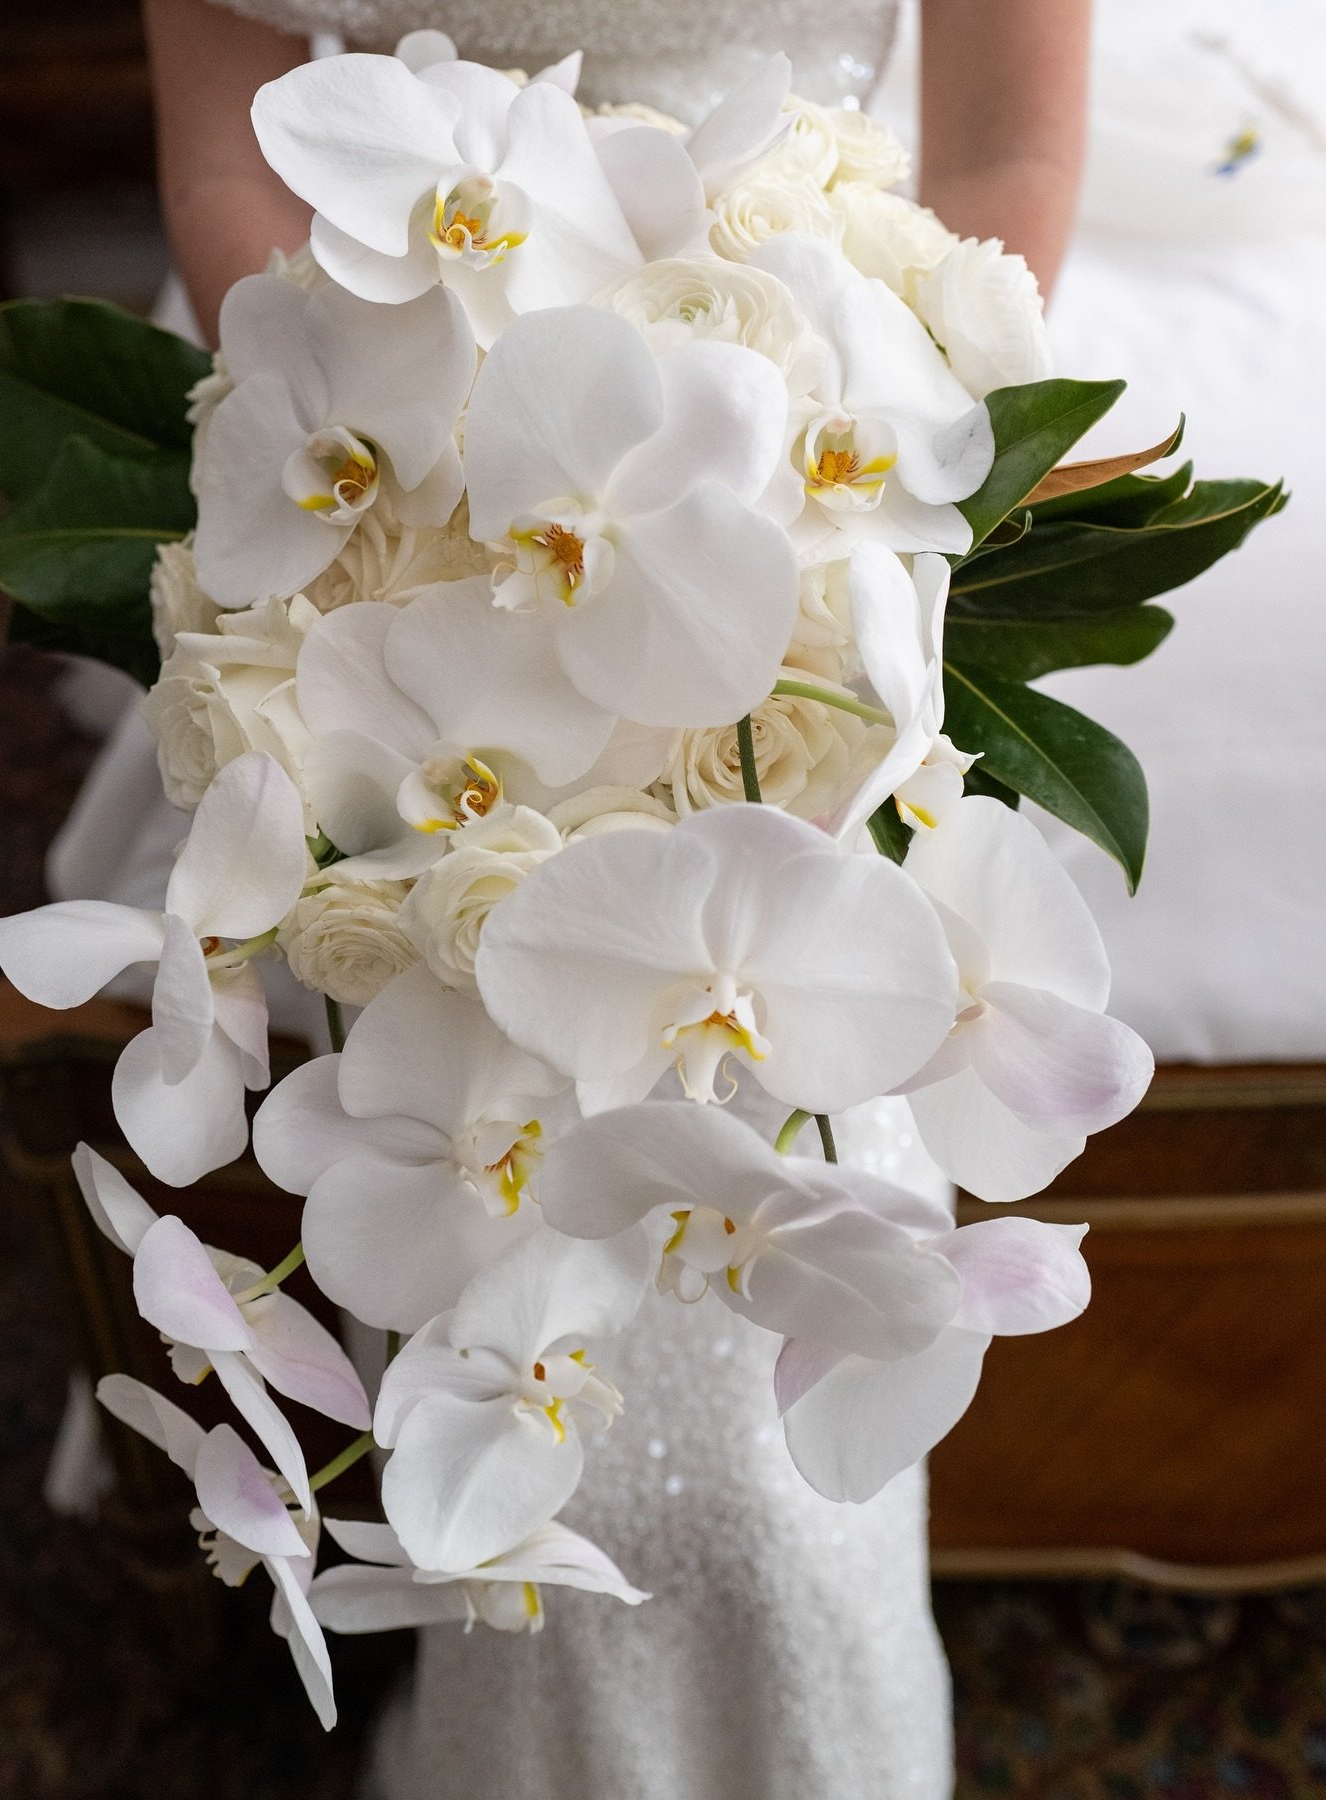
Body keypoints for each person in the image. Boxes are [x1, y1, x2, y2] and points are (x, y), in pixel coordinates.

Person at [93, 5, 1091, 1795]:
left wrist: (845, 491)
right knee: (475, 1294)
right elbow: (233, 156)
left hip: (802, 498)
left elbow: (1008, 163)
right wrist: (446, 490)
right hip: (410, 528)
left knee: (787, 1457)